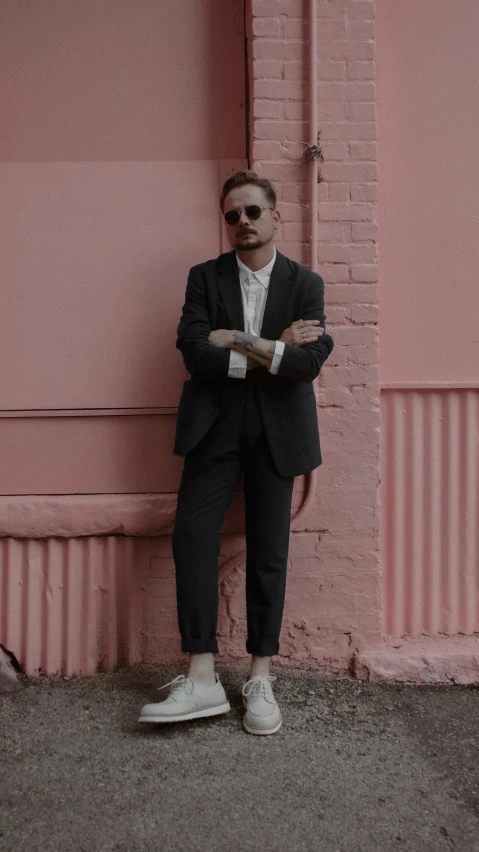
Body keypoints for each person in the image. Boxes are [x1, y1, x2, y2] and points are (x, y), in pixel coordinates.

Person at [139, 170, 334, 734]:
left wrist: (239, 340)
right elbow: (194, 352)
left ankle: (260, 677)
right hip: (215, 425)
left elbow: (309, 364)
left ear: (276, 216)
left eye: (253, 211)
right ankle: (201, 676)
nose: (243, 222)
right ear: (225, 224)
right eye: (232, 215)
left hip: (279, 430)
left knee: (269, 549)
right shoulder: (205, 278)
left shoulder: (306, 283)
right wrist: (273, 348)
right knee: (192, 533)